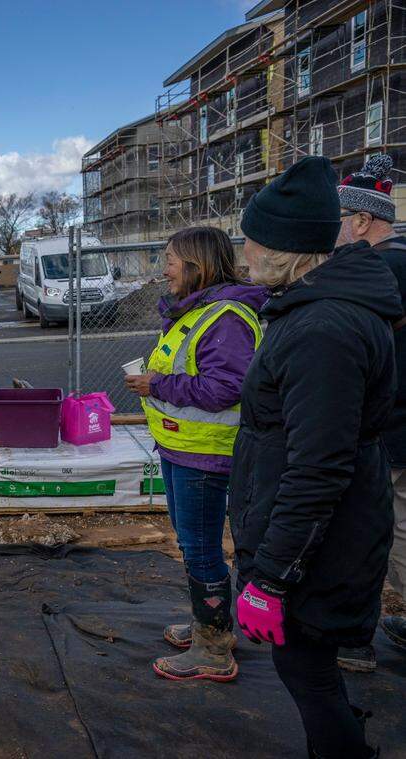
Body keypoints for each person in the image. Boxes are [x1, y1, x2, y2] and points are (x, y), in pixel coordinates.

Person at [231, 156, 399, 758]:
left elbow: (318, 468)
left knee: (309, 675)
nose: (243, 253)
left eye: (249, 241)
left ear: (281, 249)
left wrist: (272, 578)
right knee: (313, 672)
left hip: (319, 547)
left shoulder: (321, 329)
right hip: (322, 539)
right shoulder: (310, 310)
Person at [125, 226, 266, 683]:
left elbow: (227, 387)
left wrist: (155, 384)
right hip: (183, 449)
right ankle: (212, 626)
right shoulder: (197, 312)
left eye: (169, 259)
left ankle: (213, 649)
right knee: (193, 544)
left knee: (202, 548)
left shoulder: (224, 317)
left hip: (205, 456)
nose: (163, 269)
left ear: (196, 264)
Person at [336, 153, 406, 670]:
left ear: (362, 220)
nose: (333, 231)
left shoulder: (376, 270)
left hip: (390, 430)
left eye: (339, 219)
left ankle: (354, 639)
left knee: (380, 532)